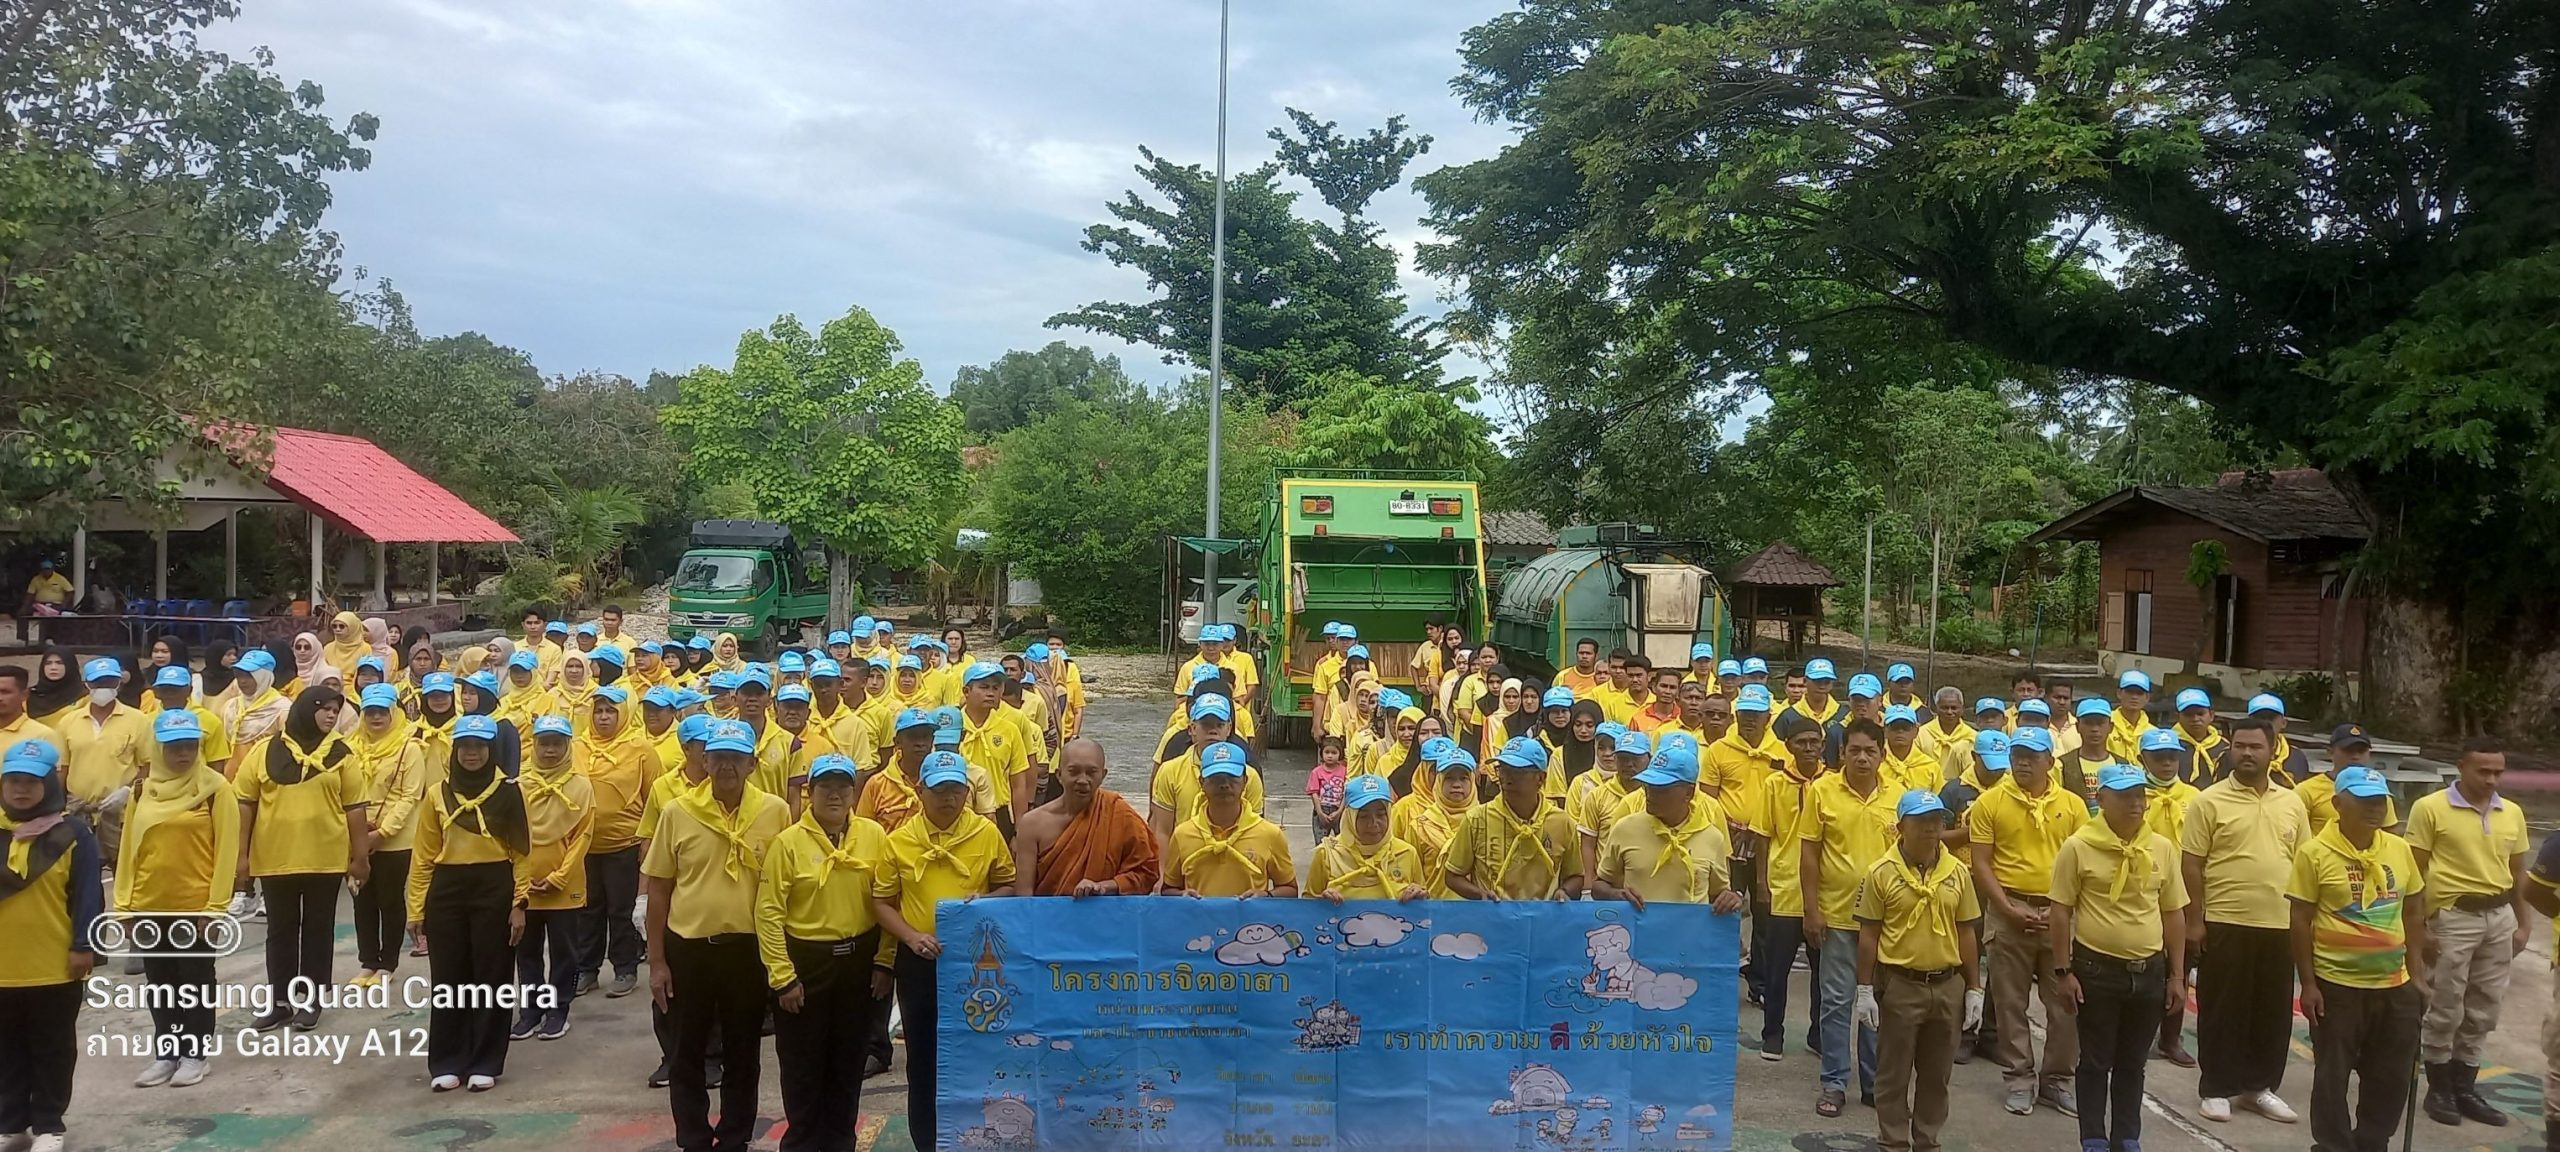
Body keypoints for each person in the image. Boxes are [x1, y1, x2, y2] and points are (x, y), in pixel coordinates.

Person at [645, 718, 790, 1152]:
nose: (727, 766)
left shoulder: (775, 811)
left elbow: (786, 888)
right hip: (689, 948)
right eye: (719, 757)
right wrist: (657, 961)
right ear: (704, 762)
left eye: (736, 758)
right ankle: (693, 1138)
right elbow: (659, 888)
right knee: (685, 1053)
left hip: (747, 950)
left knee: (744, 1052)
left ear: (752, 764)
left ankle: (734, 1139)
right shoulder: (678, 812)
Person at [872, 750, 1015, 1152]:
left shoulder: (986, 834)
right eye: (939, 790)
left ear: (968, 792)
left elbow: (1009, 884)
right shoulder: (899, 841)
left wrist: (986, 901)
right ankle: (927, 1140)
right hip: (920, 962)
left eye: (956, 789)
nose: (948, 798)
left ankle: (975, 1136)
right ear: (920, 791)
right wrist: (911, 936)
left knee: (977, 1051)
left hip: (974, 964)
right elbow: (882, 902)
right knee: (923, 1057)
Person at [2287, 766, 2429, 1152]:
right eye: (2365, 801)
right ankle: (2333, 1145)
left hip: (2394, 984)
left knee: (2392, 1073)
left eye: (2380, 802)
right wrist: (2309, 984)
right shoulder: (2314, 853)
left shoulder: (2398, 849)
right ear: (2338, 804)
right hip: (2337, 985)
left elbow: (2413, 909)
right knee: (2332, 1075)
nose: (2374, 809)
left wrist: (2416, 974)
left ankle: (2372, 1140)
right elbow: (2300, 919)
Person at [2050, 764, 2189, 1152]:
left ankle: (2127, 1136)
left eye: (2140, 795)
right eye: (2125, 796)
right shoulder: (2078, 846)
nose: (2135, 804)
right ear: (2102, 799)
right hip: (2097, 969)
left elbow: (2173, 912)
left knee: (2133, 1062)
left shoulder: (2160, 847)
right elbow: (2060, 910)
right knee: (2095, 1060)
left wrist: (2177, 975)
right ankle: (2093, 1137)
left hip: (2148, 971)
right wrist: (2063, 971)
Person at [2179, 716, 2309, 1124]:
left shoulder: (2292, 802)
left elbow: (2304, 863)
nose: (2247, 753)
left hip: (2279, 923)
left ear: (2272, 750)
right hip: (2225, 920)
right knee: (2222, 1009)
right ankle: (2217, 1088)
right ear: (2230, 749)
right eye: (2240, 746)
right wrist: (2195, 920)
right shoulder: (2209, 801)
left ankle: (2258, 1088)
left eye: (2256, 746)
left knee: (2272, 1012)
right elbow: (2191, 864)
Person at [758, 754, 890, 1152]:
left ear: (854, 792)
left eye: (843, 787)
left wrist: (884, 961)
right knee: (802, 1064)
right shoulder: (788, 843)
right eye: (826, 787)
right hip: (806, 961)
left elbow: (889, 900)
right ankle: (801, 1143)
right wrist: (783, 976)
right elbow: (769, 913)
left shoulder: (873, 835)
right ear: (810, 792)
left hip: (859, 960)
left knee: (848, 1061)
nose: (835, 795)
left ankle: (840, 1143)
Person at [2405, 736, 2527, 1128]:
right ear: (2461, 767)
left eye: (2498, 772)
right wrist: (2419, 928)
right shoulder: (2430, 808)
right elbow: (2414, 873)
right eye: (2483, 770)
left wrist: (2523, 923)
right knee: (2445, 1004)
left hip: (2499, 915)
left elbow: (2518, 872)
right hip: (2453, 916)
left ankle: (2465, 1087)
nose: (2491, 779)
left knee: (2485, 1006)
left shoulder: (2511, 812)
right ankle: (2438, 1088)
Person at [406, 714, 530, 1093]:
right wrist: (415, 908)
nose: (472, 753)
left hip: (495, 886)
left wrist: (519, 903)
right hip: (447, 889)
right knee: (448, 976)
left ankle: (485, 1061)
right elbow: (423, 855)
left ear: (490, 750)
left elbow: (522, 853)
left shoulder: (509, 792)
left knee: (492, 975)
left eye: (479, 746)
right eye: (465, 746)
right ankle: (448, 1060)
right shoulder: (437, 794)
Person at [1857, 788, 1984, 1152]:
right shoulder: (1881, 873)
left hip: (1947, 984)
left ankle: (1927, 1141)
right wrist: (1864, 989)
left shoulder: (1956, 872)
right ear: (1901, 827)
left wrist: (1974, 987)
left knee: (1936, 1074)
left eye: (1936, 821)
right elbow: (1869, 934)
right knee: (1893, 1073)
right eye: (1921, 821)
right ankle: (1893, 1142)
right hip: (1901, 983)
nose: (1931, 829)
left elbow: (1966, 931)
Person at [1967, 725, 2085, 1116]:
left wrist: (2062, 908)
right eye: (2017, 755)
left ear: (2050, 761)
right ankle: (2019, 1079)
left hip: (2059, 914)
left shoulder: (2072, 805)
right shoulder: (1990, 803)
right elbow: (1981, 862)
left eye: (2032, 756)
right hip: (2009, 912)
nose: (2023, 763)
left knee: (2064, 1004)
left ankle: (2057, 1080)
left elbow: (2083, 864)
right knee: (2010, 1005)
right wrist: (2006, 908)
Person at [235, 687, 367, 1032]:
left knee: (317, 931)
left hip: (325, 859)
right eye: (325, 709)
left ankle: (311, 1001)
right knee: (280, 932)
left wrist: (360, 857)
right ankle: (280, 1003)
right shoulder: (264, 752)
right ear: (306, 709)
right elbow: (245, 804)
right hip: (275, 858)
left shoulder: (342, 754)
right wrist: (241, 856)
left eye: (336, 710)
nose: (331, 716)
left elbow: (355, 809)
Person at [118, 711, 239, 1088]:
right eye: (174, 747)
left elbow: (227, 851)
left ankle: (195, 1054)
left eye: (190, 745)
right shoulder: (142, 790)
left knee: (195, 981)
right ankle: (167, 1052)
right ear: (159, 748)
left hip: (195, 906)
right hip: (150, 903)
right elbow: (129, 849)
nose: (183, 753)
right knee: (160, 981)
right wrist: (124, 905)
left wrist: (215, 908)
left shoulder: (215, 789)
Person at [0, 738, 100, 1152]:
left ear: (49, 785)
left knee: (52, 1048)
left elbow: (88, 895)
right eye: (13, 781)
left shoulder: (72, 833)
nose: (21, 790)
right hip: (3, 967)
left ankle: (48, 1125)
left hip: (54, 964)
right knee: (6, 1050)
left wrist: (83, 945)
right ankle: (9, 1123)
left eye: (31, 781)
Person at [1801, 719, 1898, 1114]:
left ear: (1882, 755)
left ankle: (1875, 1085)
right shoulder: (1822, 791)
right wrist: (1812, 910)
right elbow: (1809, 853)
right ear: (1841, 753)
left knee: (1878, 1004)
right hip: (1837, 916)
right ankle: (1834, 1083)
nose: (1861, 758)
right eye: (1854, 750)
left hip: (1886, 922)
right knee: (1836, 1003)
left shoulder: (1899, 795)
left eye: (1869, 751)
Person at [1590, 736, 1743, 913]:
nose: (1649, 794)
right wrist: (1615, 895)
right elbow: (1599, 886)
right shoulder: (1625, 829)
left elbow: (1718, 893)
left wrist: (1732, 898)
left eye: (1661, 789)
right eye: (1648, 785)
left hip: (1689, 930)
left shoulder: (1712, 838)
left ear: (1688, 793)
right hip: (1639, 928)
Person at [511, 716, 593, 1042]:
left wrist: (559, 877)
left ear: (567, 746)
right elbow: (511, 837)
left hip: (565, 887)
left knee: (564, 953)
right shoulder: (519, 785)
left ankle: (558, 1011)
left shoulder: (581, 786)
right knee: (526, 952)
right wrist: (522, 879)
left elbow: (582, 837)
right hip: (526, 885)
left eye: (557, 743)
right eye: (544, 743)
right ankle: (530, 1011)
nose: (550, 750)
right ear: (534, 744)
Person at [575, 685, 657, 999]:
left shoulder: (640, 748)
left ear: (623, 714)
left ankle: (625, 968)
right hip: (585, 845)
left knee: (621, 911)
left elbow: (653, 800)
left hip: (625, 844)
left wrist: (647, 844)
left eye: (611, 711)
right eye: (599, 711)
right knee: (587, 910)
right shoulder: (578, 746)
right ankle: (587, 970)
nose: (604, 717)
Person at [1756, 710, 1829, 1059]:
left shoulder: (1833, 783)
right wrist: (1761, 882)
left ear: (1823, 745)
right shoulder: (1774, 783)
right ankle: (1773, 1033)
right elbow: (1763, 835)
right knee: (1777, 969)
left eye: (1815, 742)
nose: (1809, 748)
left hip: (1823, 892)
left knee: (1822, 971)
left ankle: (1818, 1033)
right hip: (1784, 886)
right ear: (1788, 746)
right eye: (1802, 743)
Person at [348, 684, 429, 989]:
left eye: (382, 711)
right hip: (356, 835)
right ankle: (368, 961)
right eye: (370, 712)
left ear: (394, 712)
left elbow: (410, 796)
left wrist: (383, 832)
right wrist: (357, 834)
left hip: (396, 838)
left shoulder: (409, 748)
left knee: (390, 900)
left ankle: (388, 963)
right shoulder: (350, 746)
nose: (376, 717)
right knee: (362, 899)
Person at [2132, 728, 2203, 1068]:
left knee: (2180, 965)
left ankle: (2171, 1038)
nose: (2166, 763)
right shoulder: (2132, 794)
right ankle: (2138, 1037)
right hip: (2140, 891)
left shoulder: (2195, 797)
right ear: (2142, 758)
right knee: (2143, 966)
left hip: (2182, 892)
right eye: (2159, 757)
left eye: (2172, 756)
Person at [1016, 738, 1159, 897]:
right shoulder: (1031, 824)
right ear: (1059, 775)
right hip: (1049, 912)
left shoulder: (1119, 813)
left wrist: (1104, 887)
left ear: (1103, 775)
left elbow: (1148, 873)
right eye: (1073, 771)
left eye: (1091, 773)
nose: (1083, 780)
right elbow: (1024, 897)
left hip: (1105, 911)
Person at [1161, 742, 1297, 897]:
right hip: (1198, 914)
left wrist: (1266, 896)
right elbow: (1168, 889)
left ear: (1245, 781)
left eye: (1232, 778)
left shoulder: (1270, 834)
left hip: (1249, 914)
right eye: (1216, 778)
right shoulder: (1182, 835)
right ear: (1201, 782)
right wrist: (1181, 896)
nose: (1224, 785)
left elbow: (1290, 889)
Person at [60, 656, 149, 864]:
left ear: (119, 683)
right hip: (78, 811)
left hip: (121, 813)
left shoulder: (138, 720)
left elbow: (149, 765)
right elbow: (62, 768)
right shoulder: (68, 722)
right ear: (86, 685)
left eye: (110, 682)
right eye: (97, 682)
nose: (103, 687)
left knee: (124, 868)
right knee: (79, 872)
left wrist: (128, 791)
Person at [1305, 776, 1427, 902]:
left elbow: (1423, 905)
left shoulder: (1407, 853)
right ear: (1350, 817)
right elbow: (1307, 905)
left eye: (1381, 814)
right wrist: (1322, 902)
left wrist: (1419, 895)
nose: (1373, 823)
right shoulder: (1327, 855)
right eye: (1363, 816)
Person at [1391, 746, 1476, 897]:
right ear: (1439, 781)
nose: (1457, 784)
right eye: (1449, 778)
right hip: (1432, 907)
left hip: (1480, 909)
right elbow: (1408, 874)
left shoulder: (1484, 822)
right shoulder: (1420, 826)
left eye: (1464, 778)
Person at [2298, 724, 2395, 835]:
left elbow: (2390, 833)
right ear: (2330, 752)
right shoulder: (2306, 790)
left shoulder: (2378, 791)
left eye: (2361, 751)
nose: (2355, 756)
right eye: (2348, 750)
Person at [2104, 671, 2157, 763]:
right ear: (2119, 693)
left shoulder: (2154, 733)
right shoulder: (2104, 725)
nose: (2134, 697)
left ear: (2147, 697)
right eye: (2130, 691)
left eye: (2139, 693)